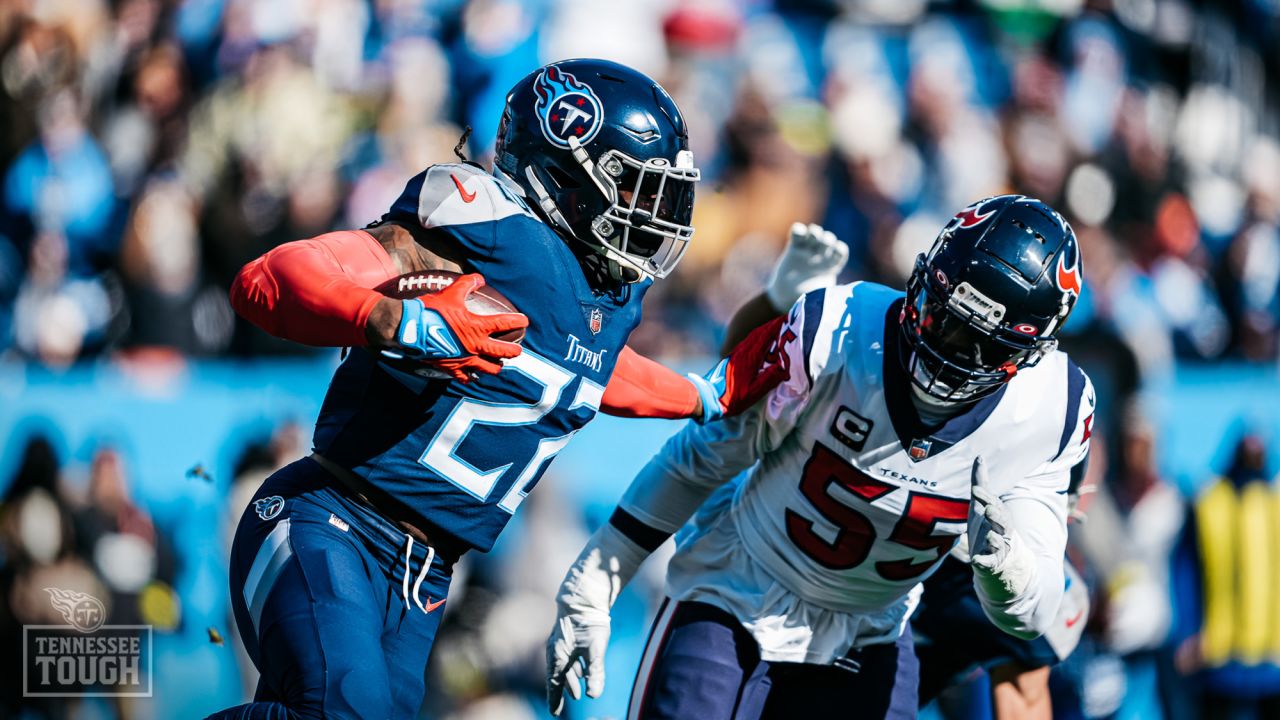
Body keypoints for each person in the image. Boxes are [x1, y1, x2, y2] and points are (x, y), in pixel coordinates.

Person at [210, 58, 784, 719]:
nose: (651, 217)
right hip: (330, 522)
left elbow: (593, 374)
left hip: (423, 580)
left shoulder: (596, 298)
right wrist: (392, 318)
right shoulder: (478, 226)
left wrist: (706, 395)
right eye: (634, 191)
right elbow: (271, 278)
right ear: (563, 173)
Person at [546, 195, 1097, 718]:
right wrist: (600, 575)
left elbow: (1031, 615)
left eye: (975, 342)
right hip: (739, 592)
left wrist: (1008, 570)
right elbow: (706, 454)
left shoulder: (1050, 409)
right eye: (938, 312)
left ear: (1028, 354)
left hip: (871, 630)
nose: (942, 344)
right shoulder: (840, 327)